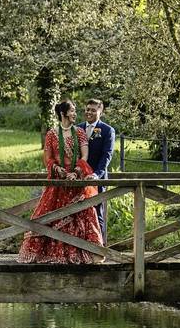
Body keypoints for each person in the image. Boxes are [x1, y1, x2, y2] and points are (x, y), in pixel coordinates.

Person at [18, 99, 104, 264]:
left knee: (83, 213)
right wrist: (57, 169)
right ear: (63, 114)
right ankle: (54, 255)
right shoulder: (51, 134)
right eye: (72, 111)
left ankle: (87, 253)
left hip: (76, 182)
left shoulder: (79, 132)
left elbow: (84, 156)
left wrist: (76, 171)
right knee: (50, 216)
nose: (75, 114)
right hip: (58, 182)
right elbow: (48, 159)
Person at [78, 99, 115, 244]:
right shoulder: (78, 129)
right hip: (80, 177)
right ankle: (81, 247)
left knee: (97, 212)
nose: (89, 112)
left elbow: (107, 155)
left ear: (101, 112)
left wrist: (96, 175)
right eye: (87, 109)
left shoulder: (107, 130)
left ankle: (100, 249)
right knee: (78, 212)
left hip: (96, 178)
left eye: (93, 110)